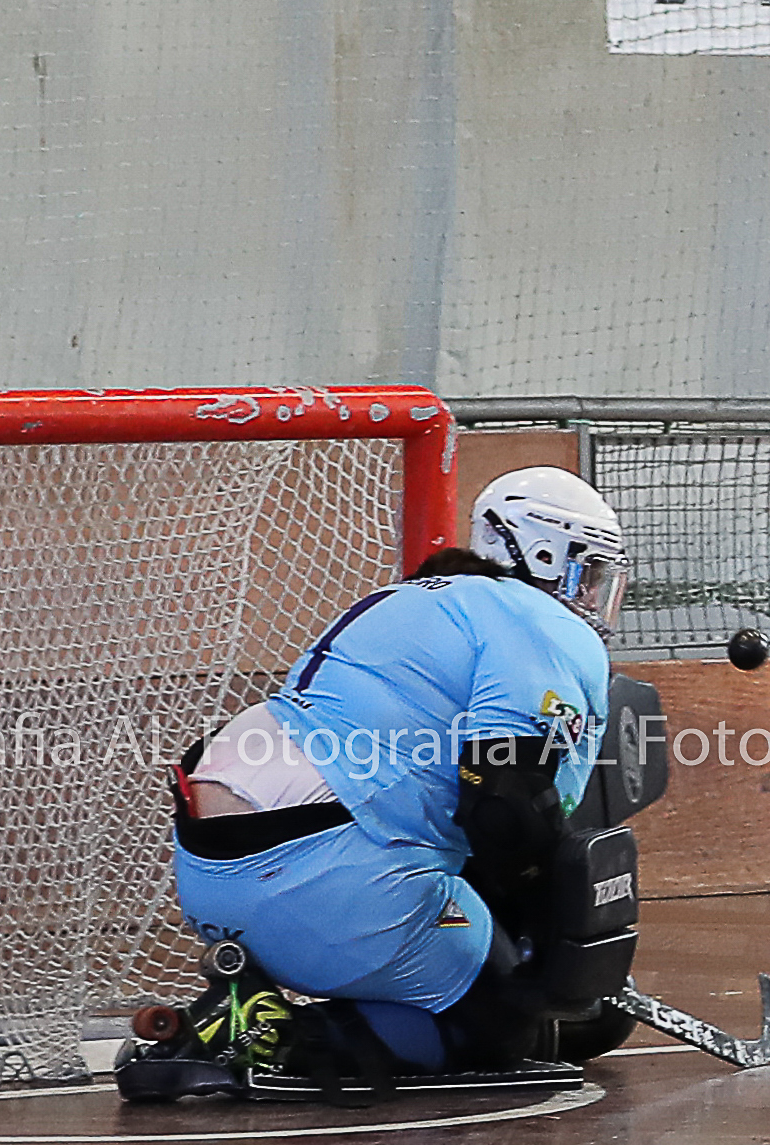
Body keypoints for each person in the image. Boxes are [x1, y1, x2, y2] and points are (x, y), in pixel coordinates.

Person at [116, 466, 642, 1102]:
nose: (596, 596)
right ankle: (284, 1036)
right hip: (328, 874)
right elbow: (504, 802)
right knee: (506, 1021)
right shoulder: (542, 622)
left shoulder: (407, 600)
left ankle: (252, 1007)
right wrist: (544, 919)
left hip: (212, 876)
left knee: (512, 965)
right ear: (546, 555)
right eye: (590, 574)